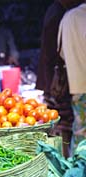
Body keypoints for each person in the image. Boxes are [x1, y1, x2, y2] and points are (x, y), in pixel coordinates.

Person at [36, 0, 83, 157]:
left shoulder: (67, 15)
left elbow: (59, 53)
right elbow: (52, 56)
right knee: (66, 127)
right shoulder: (61, 14)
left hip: (72, 84)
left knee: (73, 129)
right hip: (64, 84)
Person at [58, 1, 86, 151]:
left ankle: (79, 170)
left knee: (81, 133)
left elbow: (62, 53)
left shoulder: (69, 18)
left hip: (78, 86)